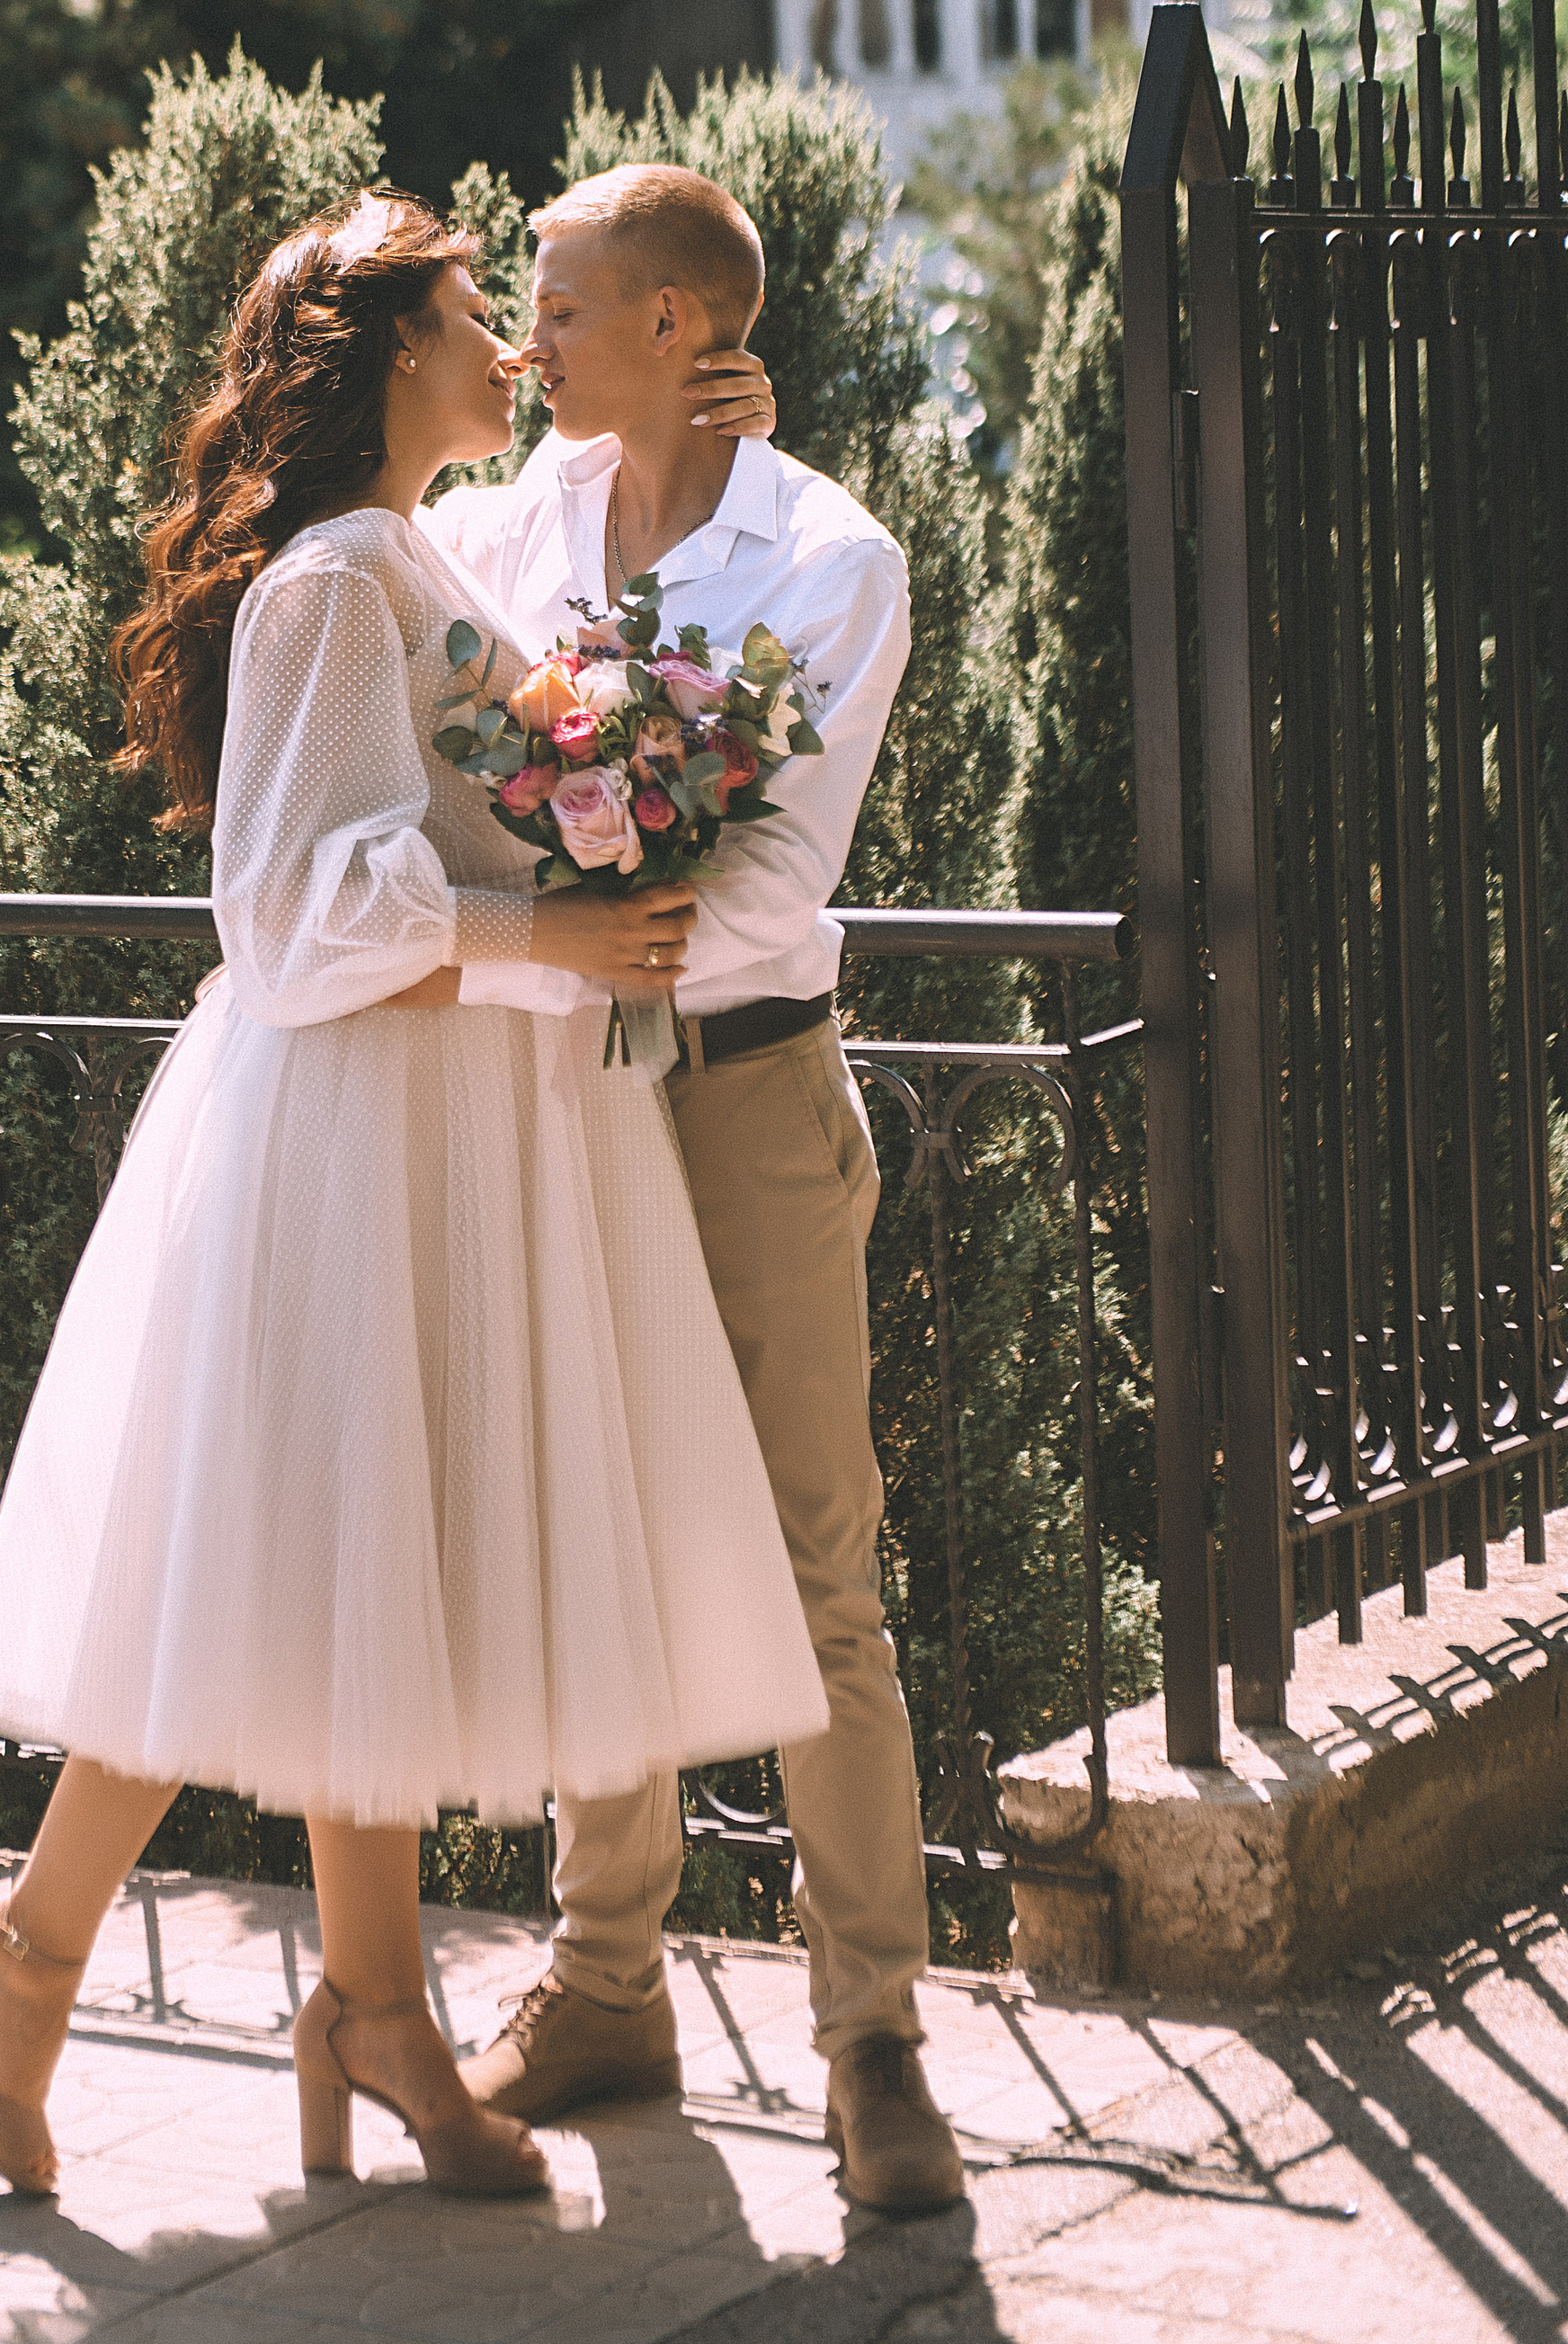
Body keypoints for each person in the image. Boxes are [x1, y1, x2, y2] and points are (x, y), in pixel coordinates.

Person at [0, 188, 826, 2206]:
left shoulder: (416, 550)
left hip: (437, 1119)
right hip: (343, 1122)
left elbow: (586, 583)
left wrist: (717, 426)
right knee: (278, 1558)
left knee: (347, 1576)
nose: (508, 353)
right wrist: (549, 938)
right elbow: (284, 915)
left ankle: (302, 2001)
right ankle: (87, 1972)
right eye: (468, 321)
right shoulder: (334, 582)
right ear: (384, 363)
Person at [424, 160, 966, 2220]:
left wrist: (570, 887)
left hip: (740, 1094)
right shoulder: (504, 517)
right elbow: (398, 639)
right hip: (557, 1093)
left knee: (817, 1570)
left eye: (553, 305)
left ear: (671, 321)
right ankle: (600, 1984)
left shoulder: (823, 555)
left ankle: (871, 2043)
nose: (521, 341)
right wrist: (534, 909)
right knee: (591, 1544)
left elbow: (773, 879)